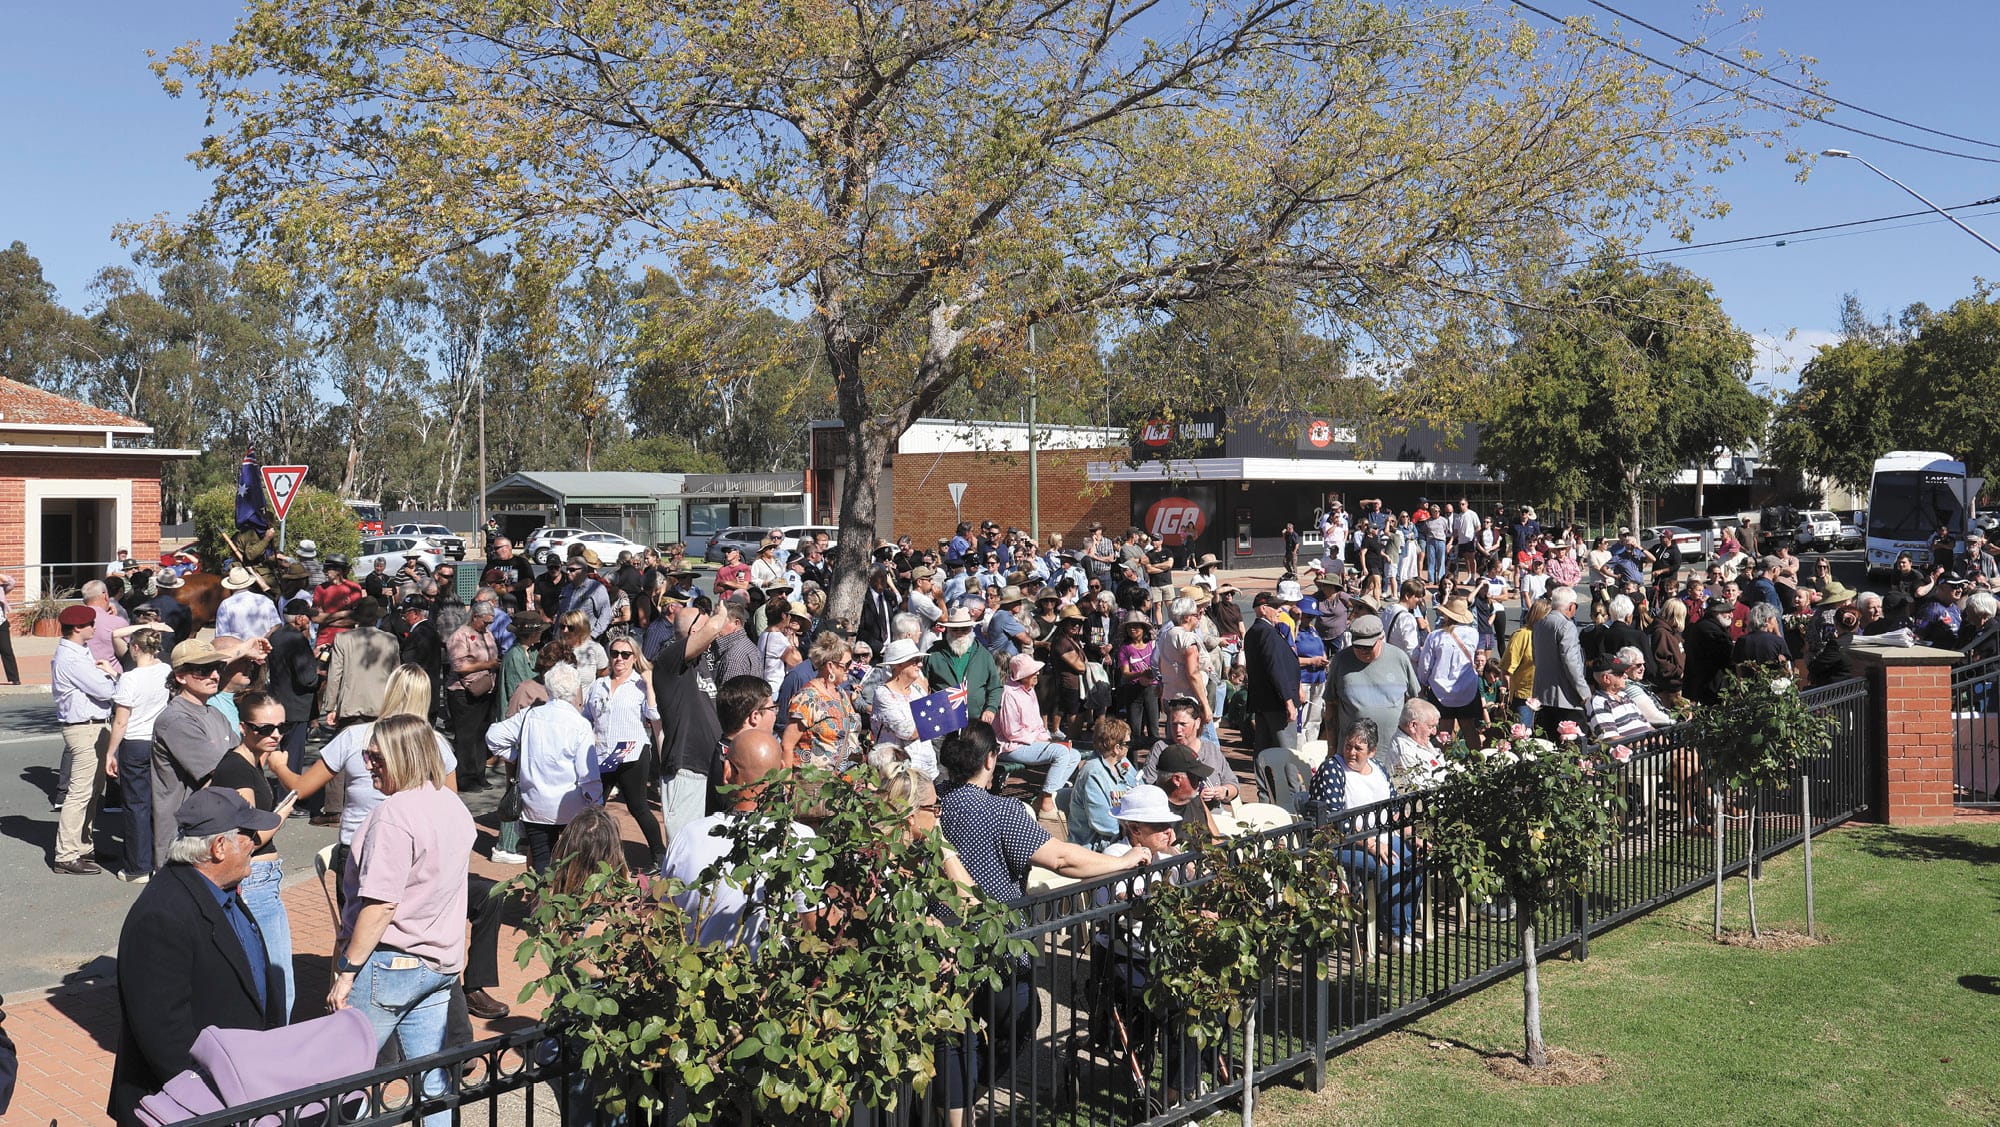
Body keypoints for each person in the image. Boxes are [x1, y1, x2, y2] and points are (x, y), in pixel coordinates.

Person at [937, 723, 1155, 1083]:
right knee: (1018, 1022)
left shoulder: (932, 804)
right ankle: (971, 1092)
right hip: (996, 947)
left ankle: (955, 1100)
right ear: (991, 759)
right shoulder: (1001, 811)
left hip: (941, 943)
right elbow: (1062, 859)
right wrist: (1122, 861)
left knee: (954, 1036)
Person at [107, 788, 285, 1126]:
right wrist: (214, 1102)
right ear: (219, 847)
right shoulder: (162, 915)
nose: (255, 843)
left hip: (235, 1093)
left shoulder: (220, 890)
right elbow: (164, 1035)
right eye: (247, 835)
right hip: (191, 1106)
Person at [330, 714, 474, 1127]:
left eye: (377, 757)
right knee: (431, 1081)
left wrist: (347, 971)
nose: (367, 765)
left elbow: (380, 905)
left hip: (390, 964)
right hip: (439, 964)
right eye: (366, 755)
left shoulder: (394, 815)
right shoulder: (452, 804)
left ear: (404, 756)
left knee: (345, 1078)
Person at [660, 729, 815, 952]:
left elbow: (665, 915)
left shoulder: (688, 836)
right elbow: (813, 927)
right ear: (782, 773)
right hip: (771, 971)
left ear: (727, 771)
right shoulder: (801, 840)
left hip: (697, 967)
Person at [211, 691, 300, 1020]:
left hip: (262, 881)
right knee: (277, 980)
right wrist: (281, 813)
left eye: (282, 727)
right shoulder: (237, 770)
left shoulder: (252, 763)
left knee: (271, 975)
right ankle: (275, 1041)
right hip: (255, 883)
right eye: (265, 728)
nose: (275, 735)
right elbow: (249, 839)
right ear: (243, 727)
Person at [1306, 719, 1423, 953]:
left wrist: (1412, 836)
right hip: (1342, 843)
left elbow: (1393, 812)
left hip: (1381, 837)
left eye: (1358, 748)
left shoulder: (1378, 768)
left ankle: (1404, 930)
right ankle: (1392, 935)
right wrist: (1369, 843)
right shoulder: (1332, 770)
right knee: (1391, 867)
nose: (1351, 752)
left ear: (1371, 751)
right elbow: (1332, 823)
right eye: (1348, 746)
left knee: (1416, 860)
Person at [486, 663, 601, 872]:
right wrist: (596, 801)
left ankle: (542, 892)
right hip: (570, 806)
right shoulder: (580, 724)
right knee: (572, 861)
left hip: (535, 804)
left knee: (541, 859)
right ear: (575, 689)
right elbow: (588, 773)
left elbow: (493, 736)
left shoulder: (530, 716)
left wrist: (515, 757)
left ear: (548, 687)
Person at [585, 634, 666, 865]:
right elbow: (586, 716)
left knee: (637, 806)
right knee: (594, 807)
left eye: (625, 654)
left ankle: (659, 855)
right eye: (614, 653)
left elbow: (654, 714)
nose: (619, 658)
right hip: (603, 753)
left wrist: (649, 684)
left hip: (631, 752)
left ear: (634, 658)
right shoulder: (598, 685)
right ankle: (591, 855)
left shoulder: (639, 684)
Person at [52, 604, 119, 875]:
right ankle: (66, 855)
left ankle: (83, 846)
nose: (95, 627)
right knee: (80, 794)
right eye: (91, 623)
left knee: (92, 791)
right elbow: (104, 690)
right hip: (84, 728)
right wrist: (111, 676)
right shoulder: (72, 658)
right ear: (78, 628)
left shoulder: (80, 651)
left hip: (93, 726)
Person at [104, 623, 173, 881]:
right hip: (158, 741)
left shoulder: (130, 678)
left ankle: (138, 866)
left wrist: (110, 752)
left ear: (134, 648)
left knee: (136, 805)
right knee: (160, 802)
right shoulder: (165, 670)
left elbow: (121, 721)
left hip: (134, 743)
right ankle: (161, 858)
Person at [994, 653, 1082, 819]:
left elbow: (1038, 724)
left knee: (1074, 754)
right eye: (1033, 671)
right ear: (1022, 675)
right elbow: (1011, 732)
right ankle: (1047, 802)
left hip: (1030, 743)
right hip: (1011, 747)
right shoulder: (1009, 693)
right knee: (1060, 753)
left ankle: (1044, 797)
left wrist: (1046, 738)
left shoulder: (1030, 690)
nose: (1037, 673)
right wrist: (1041, 741)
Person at [1325, 613, 1419, 749]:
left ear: (1381, 638)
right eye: (1358, 646)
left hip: (1393, 751)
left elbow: (1414, 703)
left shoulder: (1399, 658)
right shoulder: (1340, 661)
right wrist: (1332, 748)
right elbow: (1331, 707)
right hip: (1353, 753)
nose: (1363, 651)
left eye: (1368, 647)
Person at [443, 598, 503, 791]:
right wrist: (486, 665)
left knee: (481, 734)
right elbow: (459, 666)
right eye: (485, 622)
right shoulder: (460, 636)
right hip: (464, 692)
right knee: (466, 736)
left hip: (485, 689)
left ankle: (479, 774)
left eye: (490, 622)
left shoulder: (487, 634)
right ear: (475, 617)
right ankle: (465, 778)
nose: (487, 626)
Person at [783, 631, 859, 770]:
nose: (850, 668)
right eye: (846, 664)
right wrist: (787, 782)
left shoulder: (840, 693)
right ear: (830, 667)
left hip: (847, 777)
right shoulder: (807, 698)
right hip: (814, 779)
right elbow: (787, 746)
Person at [1414, 595, 1483, 746]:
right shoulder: (1473, 634)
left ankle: (1445, 759)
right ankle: (1476, 759)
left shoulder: (1435, 636)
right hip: (1467, 687)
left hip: (1440, 689)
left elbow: (1425, 665)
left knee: (1444, 731)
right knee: (1469, 729)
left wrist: (1424, 682)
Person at [324, 597, 402, 728]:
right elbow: (396, 676)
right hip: (381, 705)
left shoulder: (342, 639)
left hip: (351, 704)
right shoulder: (390, 640)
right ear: (376, 618)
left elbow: (334, 675)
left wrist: (330, 707)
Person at [868, 638, 940, 778]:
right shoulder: (883, 694)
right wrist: (940, 716)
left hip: (926, 768)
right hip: (899, 771)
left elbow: (931, 728)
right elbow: (907, 731)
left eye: (920, 660)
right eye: (915, 660)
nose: (920, 664)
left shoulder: (918, 690)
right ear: (899, 664)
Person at [1069, 716, 1140, 850]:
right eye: (1127, 743)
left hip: (1123, 837)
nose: (1129, 747)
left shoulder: (1123, 763)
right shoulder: (1093, 774)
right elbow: (1103, 822)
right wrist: (1135, 830)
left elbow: (1140, 790)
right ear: (1117, 748)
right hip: (1095, 848)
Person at [1243, 591, 1302, 751]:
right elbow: (1275, 667)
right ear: (1263, 609)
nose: (1279, 610)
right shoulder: (1267, 632)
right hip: (1277, 704)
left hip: (1263, 702)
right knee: (1285, 752)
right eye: (1275, 607)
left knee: (1264, 752)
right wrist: (1288, 700)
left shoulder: (1254, 632)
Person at [926, 605, 1004, 725]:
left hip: (975, 723)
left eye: (964, 629)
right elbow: (921, 687)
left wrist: (991, 709)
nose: (959, 633)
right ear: (948, 629)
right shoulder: (933, 654)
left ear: (971, 629)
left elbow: (995, 687)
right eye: (955, 629)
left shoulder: (983, 655)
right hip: (943, 722)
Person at [1531, 586, 1590, 739]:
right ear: (1571, 606)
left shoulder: (1540, 624)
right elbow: (1571, 662)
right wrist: (1583, 691)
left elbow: (1535, 656)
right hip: (1566, 697)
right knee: (1574, 744)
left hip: (1543, 694)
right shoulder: (1566, 626)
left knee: (1547, 743)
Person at [1380, 698, 1447, 792]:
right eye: (1430, 726)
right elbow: (1421, 792)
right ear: (1413, 726)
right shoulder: (1403, 752)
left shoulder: (1418, 739)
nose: (1434, 732)